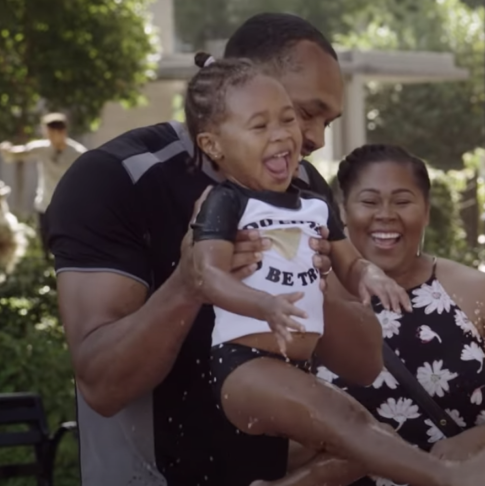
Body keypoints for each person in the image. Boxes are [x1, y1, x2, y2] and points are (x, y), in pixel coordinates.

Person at [47, 14, 387, 486]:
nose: (315, 139)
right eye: (302, 113)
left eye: (324, 121)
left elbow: (365, 364)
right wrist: (190, 282)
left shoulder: (304, 187)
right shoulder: (114, 179)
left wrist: (316, 279)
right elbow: (102, 383)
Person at [187, 55, 485, 486]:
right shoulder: (226, 202)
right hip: (244, 365)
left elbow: (349, 264)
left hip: (294, 368)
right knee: (353, 424)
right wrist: (263, 304)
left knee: (369, 443)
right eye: (260, 126)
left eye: (288, 120)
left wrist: (370, 276)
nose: (282, 135)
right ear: (214, 145)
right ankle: (446, 479)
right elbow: (206, 276)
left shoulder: (314, 204)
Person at [256, 144, 485, 486]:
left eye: (402, 201)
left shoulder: (482, 295)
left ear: (426, 211)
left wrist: (466, 449)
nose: (385, 214)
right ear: (340, 211)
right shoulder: (304, 302)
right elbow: (270, 434)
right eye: (369, 202)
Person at [0, 112, 86, 256]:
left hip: (68, 209)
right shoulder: (42, 148)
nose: (49, 138)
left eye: (52, 134)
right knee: (46, 248)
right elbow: (18, 153)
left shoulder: (77, 153)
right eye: (47, 134)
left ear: (62, 132)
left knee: (68, 248)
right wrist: (6, 149)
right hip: (45, 206)